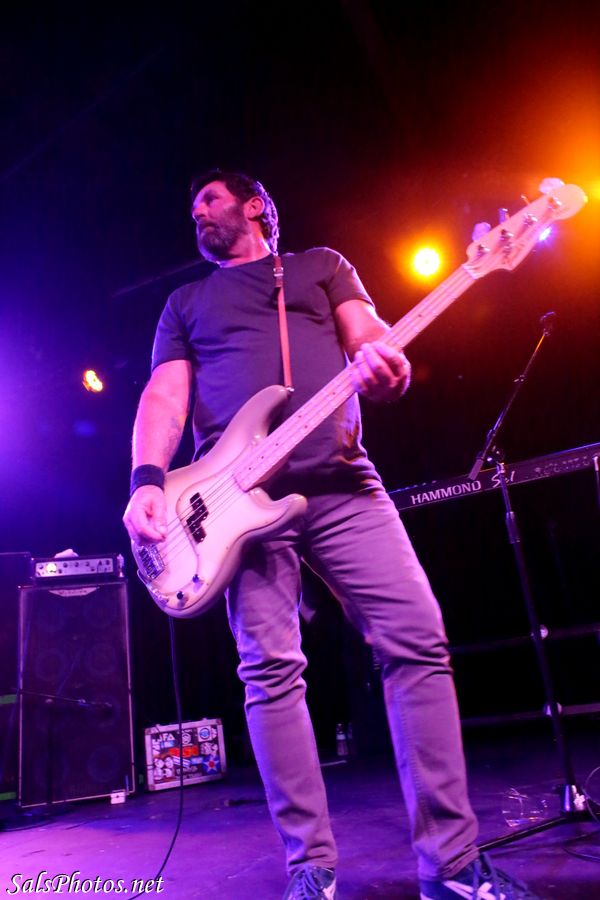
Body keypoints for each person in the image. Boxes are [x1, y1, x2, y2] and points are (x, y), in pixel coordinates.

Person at [123, 170, 542, 900]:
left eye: (211, 200)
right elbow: (165, 394)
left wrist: (387, 365)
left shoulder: (320, 266)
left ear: (255, 205)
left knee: (417, 638)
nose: (198, 212)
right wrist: (146, 480)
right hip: (234, 503)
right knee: (270, 672)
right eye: (192, 206)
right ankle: (308, 869)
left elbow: (371, 338)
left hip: (343, 479)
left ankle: (451, 864)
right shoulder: (185, 302)